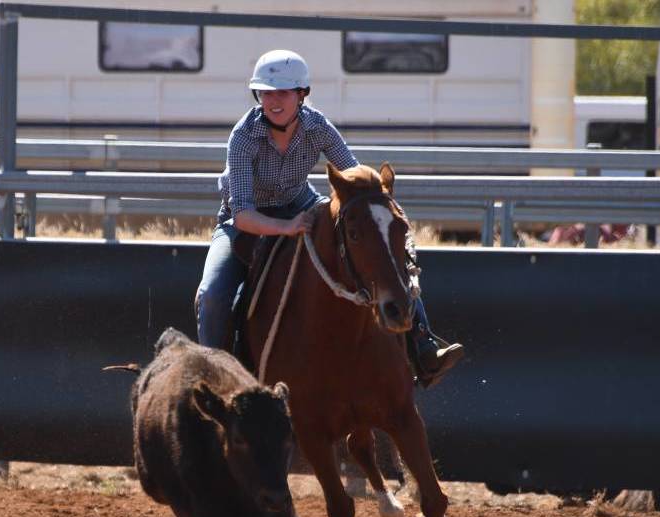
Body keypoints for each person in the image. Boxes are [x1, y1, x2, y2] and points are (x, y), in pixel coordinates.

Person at [193, 49, 463, 388]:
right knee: (213, 292)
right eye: (266, 92)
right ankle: (213, 381)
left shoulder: (317, 126)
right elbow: (243, 213)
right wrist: (286, 227)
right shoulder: (243, 135)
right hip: (242, 223)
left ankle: (423, 349)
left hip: (302, 204)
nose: (274, 100)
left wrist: (376, 204)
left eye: (283, 92)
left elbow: (353, 176)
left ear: (302, 94)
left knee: (379, 253)